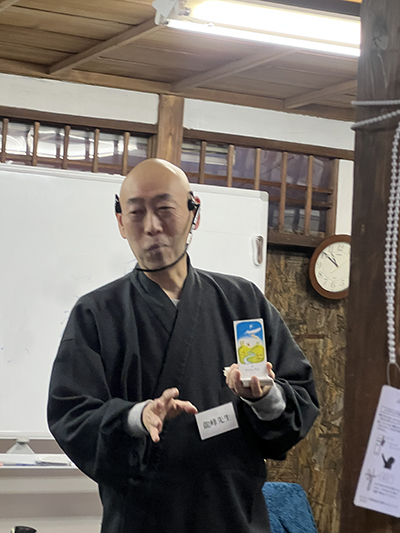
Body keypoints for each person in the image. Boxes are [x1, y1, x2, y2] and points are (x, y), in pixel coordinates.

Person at [47, 158, 319, 533]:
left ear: (194, 213)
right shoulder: (97, 312)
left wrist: (264, 398)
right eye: (136, 213)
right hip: (141, 520)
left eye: (165, 209)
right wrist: (136, 417)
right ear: (121, 222)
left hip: (233, 515)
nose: (152, 226)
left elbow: (300, 398)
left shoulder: (242, 301)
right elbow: (70, 414)